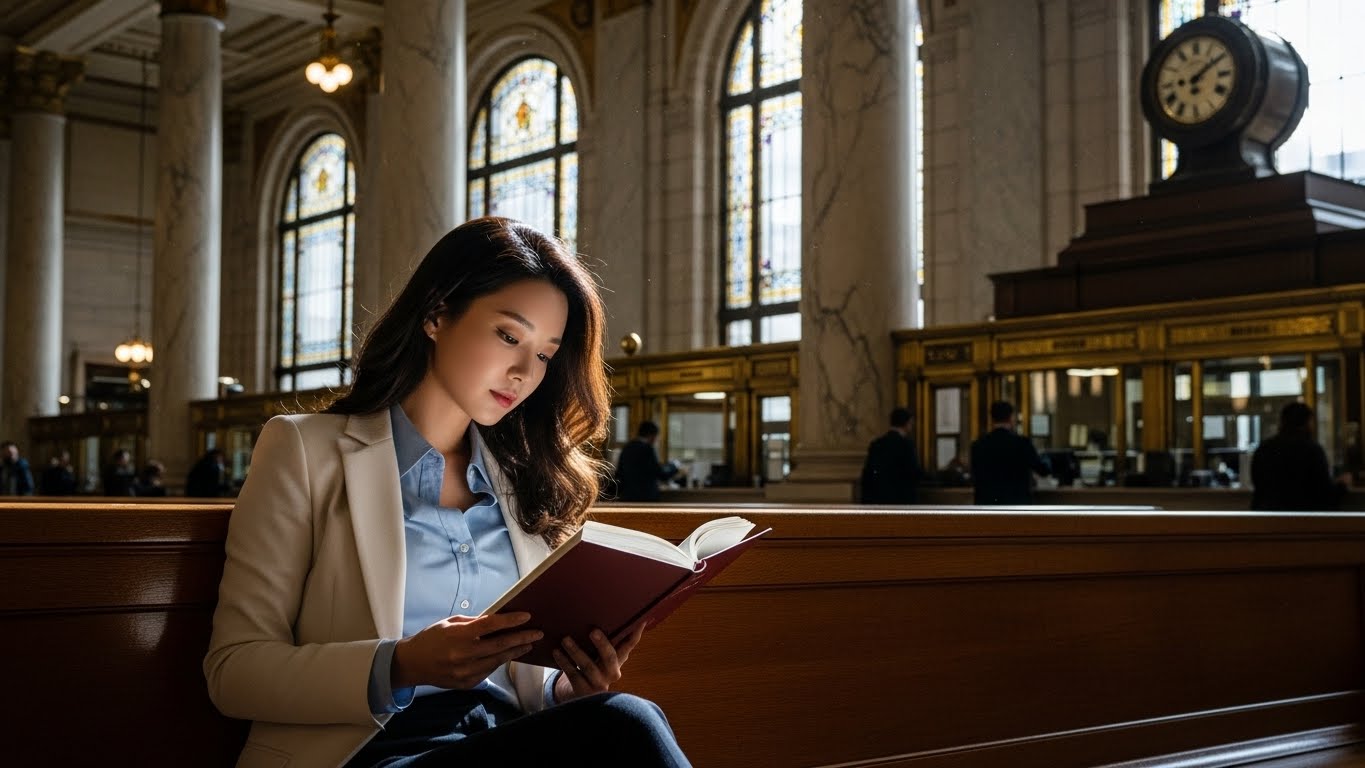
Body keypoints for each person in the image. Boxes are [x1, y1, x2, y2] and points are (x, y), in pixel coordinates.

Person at [204, 217, 690, 768]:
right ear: (436, 314)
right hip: (364, 753)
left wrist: (565, 689)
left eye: (544, 355)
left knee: (618, 716)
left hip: (501, 740)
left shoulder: (525, 480)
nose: (523, 372)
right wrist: (401, 664)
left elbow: (521, 687)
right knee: (625, 721)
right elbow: (234, 670)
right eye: (509, 336)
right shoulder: (304, 451)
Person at [1251, 402, 1351, 511]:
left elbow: (1259, 486)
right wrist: (1342, 485)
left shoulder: (1264, 449)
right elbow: (1324, 494)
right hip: (1303, 517)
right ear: (1307, 423)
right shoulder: (1312, 450)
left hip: (1266, 516)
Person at [970, 400, 1051, 505]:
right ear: (1011, 418)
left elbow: (974, 476)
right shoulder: (1022, 443)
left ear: (992, 419)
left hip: (988, 507)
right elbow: (1042, 470)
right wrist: (1047, 460)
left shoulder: (978, 445)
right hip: (1016, 506)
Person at [859, 407, 923, 504]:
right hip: (901, 500)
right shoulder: (906, 445)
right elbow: (913, 472)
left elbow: (868, 473)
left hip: (878, 499)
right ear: (907, 423)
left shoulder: (877, 444)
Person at [612, 421, 680, 502]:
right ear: (652, 435)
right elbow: (660, 473)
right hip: (646, 496)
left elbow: (619, 473)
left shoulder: (627, 448)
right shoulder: (647, 449)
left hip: (627, 496)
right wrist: (675, 468)